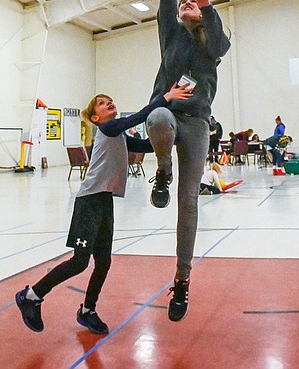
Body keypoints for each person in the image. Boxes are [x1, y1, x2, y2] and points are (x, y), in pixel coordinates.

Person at [16, 83, 192, 336]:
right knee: (79, 261)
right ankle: (31, 296)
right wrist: (166, 97)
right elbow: (140, 116)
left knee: (104, 262)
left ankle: (87, 311)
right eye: (102, 102)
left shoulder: (119, 135)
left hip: (104, 200)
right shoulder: (107, 129)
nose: (109, 102)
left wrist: (173, 133)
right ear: (96, 117)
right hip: (89, 201)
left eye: (110, 99)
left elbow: (147, 145)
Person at [144, 0, 232, 322]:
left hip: (197, 122)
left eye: (190, 4)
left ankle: (182, 280)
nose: (183, 4)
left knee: (189, 202)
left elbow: (220, 44)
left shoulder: (209, 44)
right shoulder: (170, 35)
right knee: (159, 115)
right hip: (168, 115)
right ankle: (161, 170)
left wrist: (209, 10)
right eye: (182, 4)